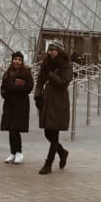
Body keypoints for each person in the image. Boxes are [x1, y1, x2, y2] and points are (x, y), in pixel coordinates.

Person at [35, 40, 73, 175]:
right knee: (47, 133)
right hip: (47, 100)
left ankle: (48, 163)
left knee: (54, 133)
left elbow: (64, 82)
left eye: (53, 50)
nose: (50, 52)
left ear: (60, 51)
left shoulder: (66, 65)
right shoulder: (46, 64)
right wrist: (37, 95)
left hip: (59, 102)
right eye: (49, 50)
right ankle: (62, 152)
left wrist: (50, 74)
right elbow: (40, 80)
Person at [0, 51, 33, 164]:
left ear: (22, 61)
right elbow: (3, 88)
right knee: (10, 129)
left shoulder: (26, 73)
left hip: (20, 105)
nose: (17, 61)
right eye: (15, 59)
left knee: (15, 129)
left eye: (19, 60)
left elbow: (29, 88)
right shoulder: (7, 73)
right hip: (9, 104)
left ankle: (19, 152)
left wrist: (13, 89)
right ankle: (13, 153)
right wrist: (7, 93)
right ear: (12, 60)